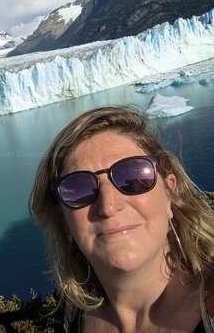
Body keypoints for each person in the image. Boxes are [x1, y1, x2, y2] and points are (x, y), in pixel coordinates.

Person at [29, 106, 214, 333]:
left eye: (133, 176)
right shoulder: (73, 316)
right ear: (64, 221)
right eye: (79, 188)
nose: (108, 205)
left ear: (169, 194)